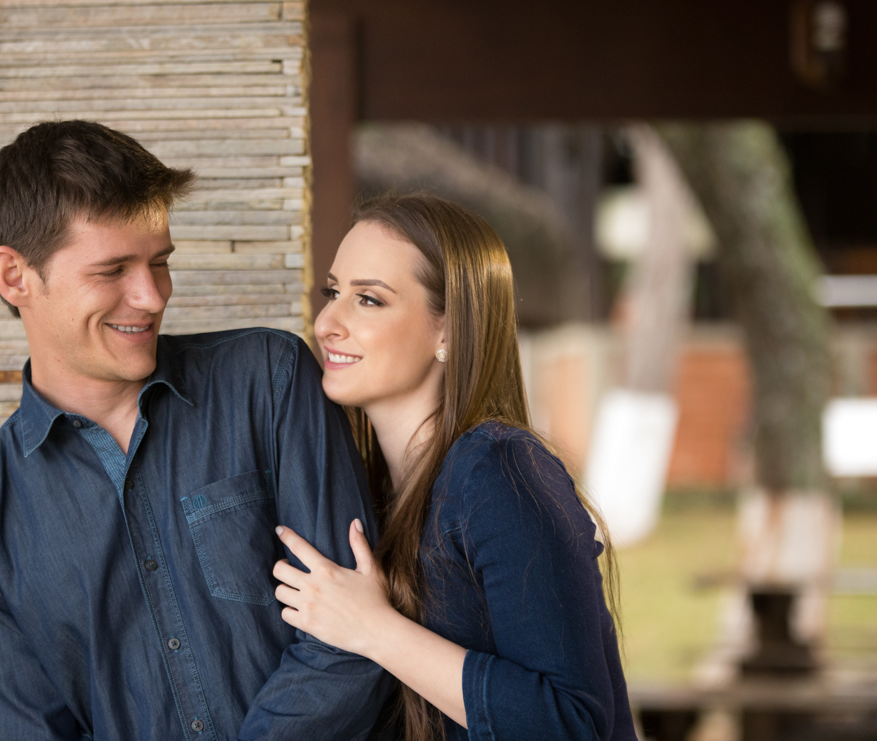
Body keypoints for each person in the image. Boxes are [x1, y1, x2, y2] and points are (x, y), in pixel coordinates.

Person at [0, 120, 391, 740]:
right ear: (14, 277)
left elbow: (355, 635)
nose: (150, 296)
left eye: (159, 262)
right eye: (112, 269)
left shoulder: (269, 381)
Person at [271, 194, 637, 741]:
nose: (327, 322)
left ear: (447, 330)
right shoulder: (369, 487)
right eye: (333, 292)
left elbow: (570, 723)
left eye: (368, 300)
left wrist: (374, 630)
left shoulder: (499, 470)